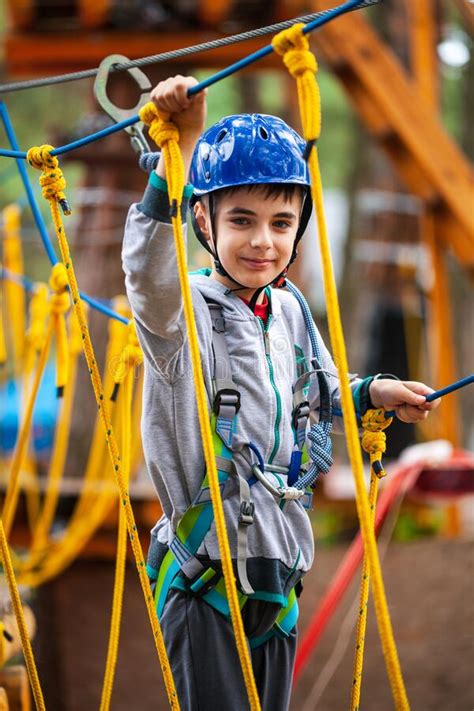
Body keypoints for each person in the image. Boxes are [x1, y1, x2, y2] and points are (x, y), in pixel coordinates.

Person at [122, 75, 439, 710]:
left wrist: (374, 391)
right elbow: (146, 277)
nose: (262, 240)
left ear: (299, 229)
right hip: (207, 578)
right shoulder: (180, 314)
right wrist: (175, 158)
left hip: (279, 573)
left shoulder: (288, 307)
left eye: (281, 221)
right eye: (241, 220)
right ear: (204, 220)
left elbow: (314, 394)